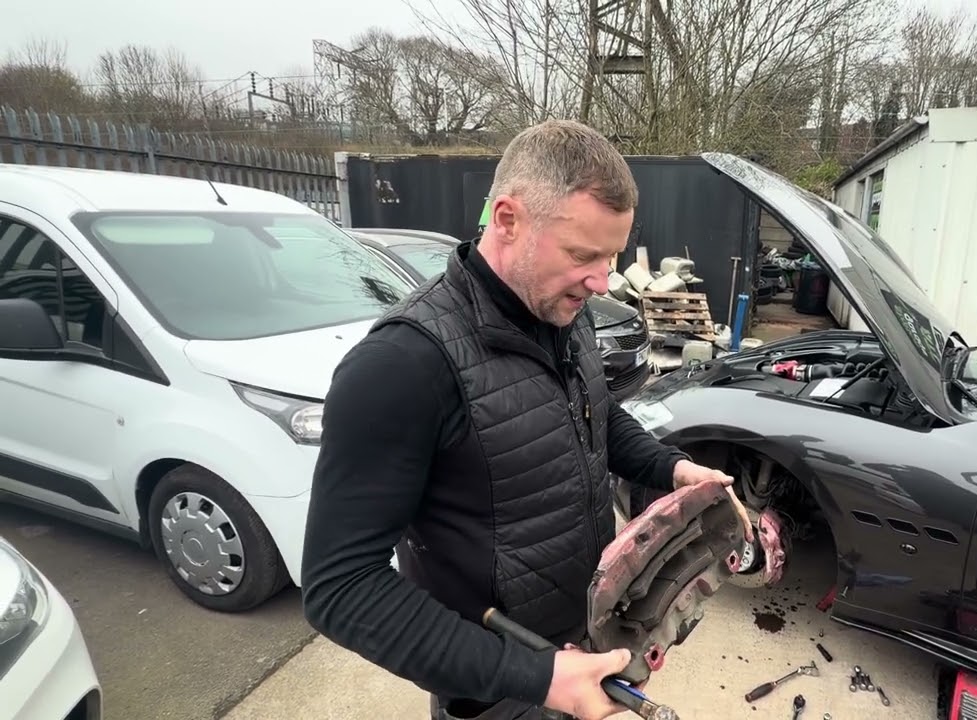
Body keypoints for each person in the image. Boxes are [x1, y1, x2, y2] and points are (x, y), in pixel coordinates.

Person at [301, 118, 752, 720]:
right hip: (498, 688)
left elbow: (592, 412)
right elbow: (341, 588)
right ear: (508, 220)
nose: (601, 280)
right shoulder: (402, 365)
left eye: (612, 256)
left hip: (584, 639)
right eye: (583, 255)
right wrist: (537, 678)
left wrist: (672, 468)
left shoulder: (568, 311)